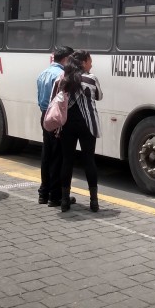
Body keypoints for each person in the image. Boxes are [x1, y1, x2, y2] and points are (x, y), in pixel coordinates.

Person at [56, 49, 102, 213]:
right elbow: (99, 96)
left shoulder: (63, 79)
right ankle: (94, 202)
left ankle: (64, 201)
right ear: (83, 62)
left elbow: (57, 99)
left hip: (67, 124)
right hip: (88, 124)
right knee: (89, 160)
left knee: (67, 160)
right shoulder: (91, 78)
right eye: (90, 60)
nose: (91, 64)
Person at [36, 45, 74, 206]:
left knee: (46, 156)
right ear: (65, 59)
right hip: (56, 118)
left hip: (45, 115)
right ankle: (55, 196)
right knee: (58, 157)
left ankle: (43, 193)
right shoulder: (61, 75)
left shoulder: (42, 73)